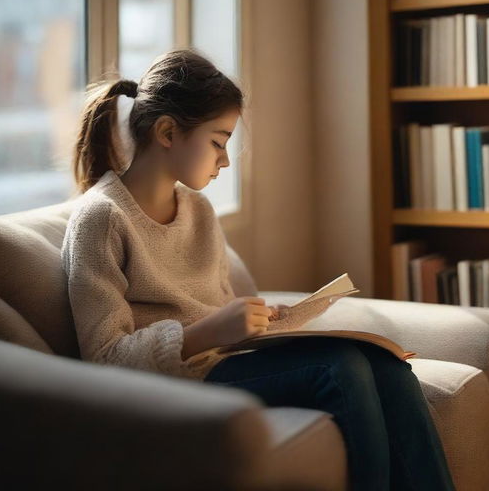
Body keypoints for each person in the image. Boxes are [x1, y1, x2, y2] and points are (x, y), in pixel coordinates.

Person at [60, 47, 456, 491]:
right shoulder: (101, 218)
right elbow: (103, 357)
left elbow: (218, 310)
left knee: (387, 367)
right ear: (168, 132)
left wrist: (259, 322)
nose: (225, 161)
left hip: (228, 362)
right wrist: (207, 332)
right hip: (180, 383)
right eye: (218, 142)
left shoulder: (198, 210)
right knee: (340, 368)